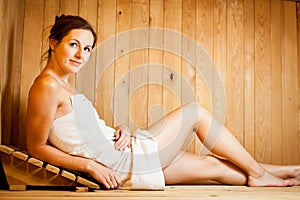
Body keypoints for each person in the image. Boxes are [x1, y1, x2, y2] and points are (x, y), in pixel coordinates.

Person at [26, 14, 300, 190]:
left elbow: (82, 134)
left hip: (123, 154)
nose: (81, 54)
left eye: (87, 49)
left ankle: (286, 172)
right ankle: (260, 172)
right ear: (53, 42)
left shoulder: (63, 85)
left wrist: (118, 128)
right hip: (121, 162)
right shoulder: (46, 85)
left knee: (213, 166)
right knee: (195, 113)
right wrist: (90, 166)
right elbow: (36, 146)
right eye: (73, 44)